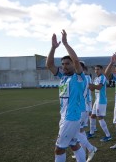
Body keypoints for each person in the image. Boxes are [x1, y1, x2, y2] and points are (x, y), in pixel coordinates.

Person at [46, 29, 86, 162]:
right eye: (62, 64)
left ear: (74, 66)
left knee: (59, 148)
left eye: (67, 64)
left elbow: (76, 60)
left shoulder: (79, 77)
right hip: (65, 116)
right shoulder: (62, 77)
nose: (64, 66)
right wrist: (53, 48)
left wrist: (65, 43)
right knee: (74, 144)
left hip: (71, 117)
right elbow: (49, 64)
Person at [71, 61, 97, 162]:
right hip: (83, 107)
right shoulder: (84, 77)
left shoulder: (83, 78)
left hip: (82, 107)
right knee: (80, 131)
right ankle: (82, 151)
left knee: (75, 131)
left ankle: (91, 148)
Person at [88, 65, 112, 142]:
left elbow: (99, 87)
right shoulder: (95, 78)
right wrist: (88, 84)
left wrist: (92, 85)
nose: (96, 71)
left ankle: (108, 135)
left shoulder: (102, 77)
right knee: (92, 116)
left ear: (101, 70)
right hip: (97, 100)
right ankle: (92, 133)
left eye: (98, 69)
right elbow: (92, 89)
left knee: (100, 117)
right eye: (95, 69)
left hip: (101, 100)